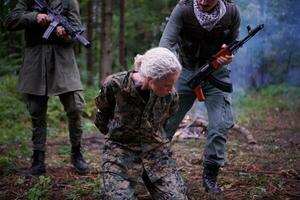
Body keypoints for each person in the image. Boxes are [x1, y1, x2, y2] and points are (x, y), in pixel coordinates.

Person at [159, 0, 240, 195]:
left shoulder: (231, 12)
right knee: (165, 123)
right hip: (184, 72)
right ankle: (157, 169)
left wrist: (229, 56)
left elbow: (233, 44)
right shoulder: (183, 9)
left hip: (217, 74)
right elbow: (165, 44)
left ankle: (210, 176)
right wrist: (168, 68)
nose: (203, 2)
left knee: (219, 125)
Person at [3, 0, 88, 175]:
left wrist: (64, 34)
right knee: (36, 110)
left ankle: (77, 153)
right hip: (35, 59)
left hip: (63, 60)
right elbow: (10, 21)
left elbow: (75, 30)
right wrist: (35, 17)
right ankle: (38, 159)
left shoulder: (69, 2)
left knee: (75, 106)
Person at [94, 47, 188, 199]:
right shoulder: (115, 85)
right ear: (151, 78)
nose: (171, 90)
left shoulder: (170, 96)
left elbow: (166, 120)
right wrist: (116, 136)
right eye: (166, 85)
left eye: (173, 84)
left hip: (156, 153)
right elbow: (102, 115)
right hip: (121, 152)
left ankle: (144, 181)